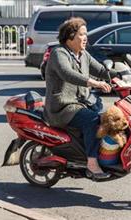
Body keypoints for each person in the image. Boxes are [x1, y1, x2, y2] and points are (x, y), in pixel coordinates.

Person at [43, 17, 119, 180]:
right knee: (92, 120)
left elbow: (100, 69)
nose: (86, 38)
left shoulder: (83, 54)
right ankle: (92, 164)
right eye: (82, 34)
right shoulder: (59, 53)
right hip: (63, 108)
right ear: (70, 36)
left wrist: (120, 75)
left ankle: (94, 152)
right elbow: (67, 73)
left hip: (80, 103)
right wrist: (93, 82)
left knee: (104, 117)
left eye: (86, 34)